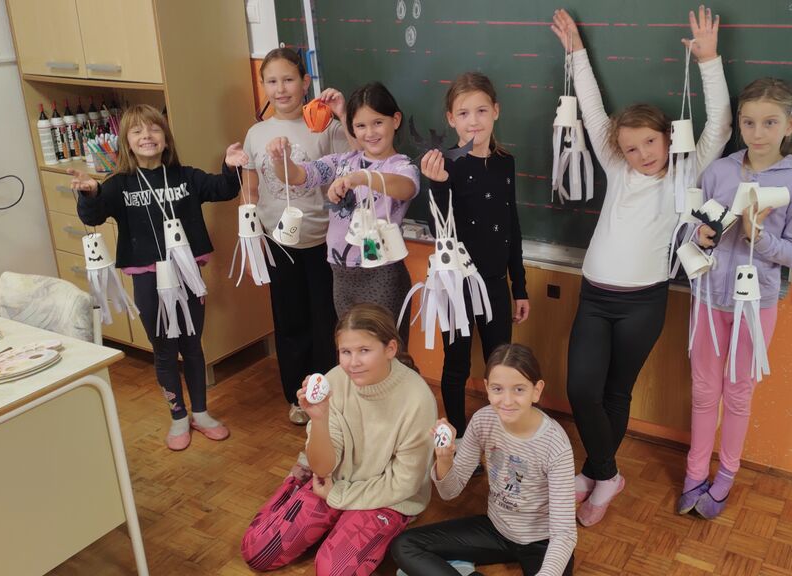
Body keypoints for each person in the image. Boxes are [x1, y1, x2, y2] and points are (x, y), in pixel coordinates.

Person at [550, 5, 732, 525]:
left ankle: (595, 473)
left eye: (650, 141)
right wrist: (576, 52)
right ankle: (608, 474)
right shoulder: (617, 168)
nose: (642, 153)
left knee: (615, 391)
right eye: (631, 148)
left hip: (643, 303)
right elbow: (591, 110)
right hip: (595, 296)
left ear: (668, 137)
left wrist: (709, 60)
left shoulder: (686, 169)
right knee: (581, 388)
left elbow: (720, 122)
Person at [678, 77, 792, 519]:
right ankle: (694, 472)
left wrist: (760, 236)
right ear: (739, 123)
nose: (758, 133)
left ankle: (726, 475)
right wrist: (699, 236)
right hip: (707, 298)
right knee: (704, 390)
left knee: (738, 394)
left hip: (754, 307)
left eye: (770, 122)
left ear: (790, 125)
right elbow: (688, 229)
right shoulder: (719, 171)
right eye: (749, 122)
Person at [72, 104, 247, 450]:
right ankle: (178, 416)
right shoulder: (118, 185)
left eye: (154, 129)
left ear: (166, 138)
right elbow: (92, 216)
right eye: (137, 131)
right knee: (164, 350)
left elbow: (223, 189)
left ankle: (200, 413)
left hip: (186, 275)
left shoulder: (186, 177)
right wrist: (89, 193)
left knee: (192, 345)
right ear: (127, 142)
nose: (147, 136)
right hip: (147, 279)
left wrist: (230, 166)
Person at [241, 303, 437, 575]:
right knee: (257, 551)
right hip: (334, 480)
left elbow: (404, 483)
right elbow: (322, 468)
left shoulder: (418, 399)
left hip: (386, 497)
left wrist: (340, 496)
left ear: (390, 349)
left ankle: (345, 516)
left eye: (364, 350)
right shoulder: (334, 381)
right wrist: (319, 419)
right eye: (345, 352)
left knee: (333, 571)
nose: (353, 363)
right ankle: (300, 488)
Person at [391, 343, 575, 576]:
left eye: (519, 389)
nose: (507, 401)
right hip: (495, 530)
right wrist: (444, 457)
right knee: (404, 545)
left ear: (536, 390)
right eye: (497, 389)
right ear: (487, 388)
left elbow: (564, 534)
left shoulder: (555, 445)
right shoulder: (482, 421)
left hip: (541, 543)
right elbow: (450, 492)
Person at [242, 47, 350, 425]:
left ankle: (326, 393)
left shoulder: (324, 126)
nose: (281, 89)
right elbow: (251, 188)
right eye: (272, 81)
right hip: (278, 243)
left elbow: (356, 158)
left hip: (322, 241)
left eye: (288, 80)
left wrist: (342, 115)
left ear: (305, 83)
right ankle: (297, 396)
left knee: (325, 322)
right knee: (289, 321)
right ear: (263, 86)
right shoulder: (256, 133)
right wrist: (251, 235)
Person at [420, 71, 530, 442]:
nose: (474, 121)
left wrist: (520, 287)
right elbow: (439, 230)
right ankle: (458, 435)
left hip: (496, 284)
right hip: (457, 286)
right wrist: (437, 185)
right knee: (457, 363)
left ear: (496, 111)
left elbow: (512, 227)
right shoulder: (446, 166)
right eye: (464, 113)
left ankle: (501, 432)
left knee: (502, 364)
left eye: (481, 111)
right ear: (451, 119)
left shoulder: (505, 162)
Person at [267, 83, 419, 342]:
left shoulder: (402, 166)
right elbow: (298, 176)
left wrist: (362, 177)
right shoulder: (341, 161)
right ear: (352, 128)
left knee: (385, 348)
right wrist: (281, 160)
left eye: (378, 123)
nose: (370, 132)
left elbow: (406, 188)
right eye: (361, 126)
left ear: (395, 120)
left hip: (382, 274)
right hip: (341, 274)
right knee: (352, 346)